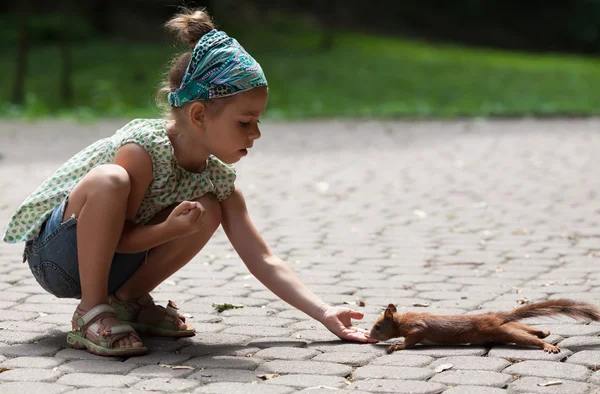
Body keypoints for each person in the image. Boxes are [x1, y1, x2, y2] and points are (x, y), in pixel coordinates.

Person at [2, 8, 376, 356]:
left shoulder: (216, 178)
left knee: (209, 207)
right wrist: (168, 230)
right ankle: (91, 312)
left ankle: (125, 302)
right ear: (198, 115)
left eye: (258, 121)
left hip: (114, 262)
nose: (256, 134)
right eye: (245, 122)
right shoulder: (143, 150)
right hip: (59, 257)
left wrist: (324, 312)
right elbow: (118, 239)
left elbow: (261, 256)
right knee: (110, 179)